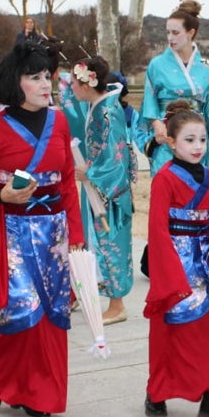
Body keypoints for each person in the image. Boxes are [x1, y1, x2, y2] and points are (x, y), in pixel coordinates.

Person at [0, 43, 83, 417]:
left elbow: (67, 180)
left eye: (46, 76)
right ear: (16, 83)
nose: (45, 84)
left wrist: (77, 237)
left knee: (50, 314)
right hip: (11, 231)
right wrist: (0, 195)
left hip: (54, 233)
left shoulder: (61, 121)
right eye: (34, 77)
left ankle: (40, 395)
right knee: (20, 310)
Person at [143, 100, 209, 417]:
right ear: (172, 142)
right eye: (189, 140)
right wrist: (169, 276)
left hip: (201, 263)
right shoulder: (165, 178)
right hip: (175, 263)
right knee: (170, 333)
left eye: (202, 139)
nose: (198, 146)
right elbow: (158, 228)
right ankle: (156, 393)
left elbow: (205, 216)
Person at [59, 55, 136, 325]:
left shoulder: (107, 112)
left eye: (74, 83)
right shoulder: (99, 106)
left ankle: (117, 305)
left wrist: (90, 172)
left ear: (87, 83)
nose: (71, 88)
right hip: (97, 188)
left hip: (108, 192)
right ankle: (101, 297)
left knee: (111, 243)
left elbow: (118, 158)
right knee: (98, 243)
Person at [138, 0, 209, 177]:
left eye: (176, 32)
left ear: (191, 32)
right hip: (167, 134)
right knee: (167, 182)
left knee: (196, 187)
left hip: (195, 134)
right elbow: (149, 100)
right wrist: (156, 123)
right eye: (168, 32)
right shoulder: (157, 65)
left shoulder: (206, 68)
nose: (170, 38)